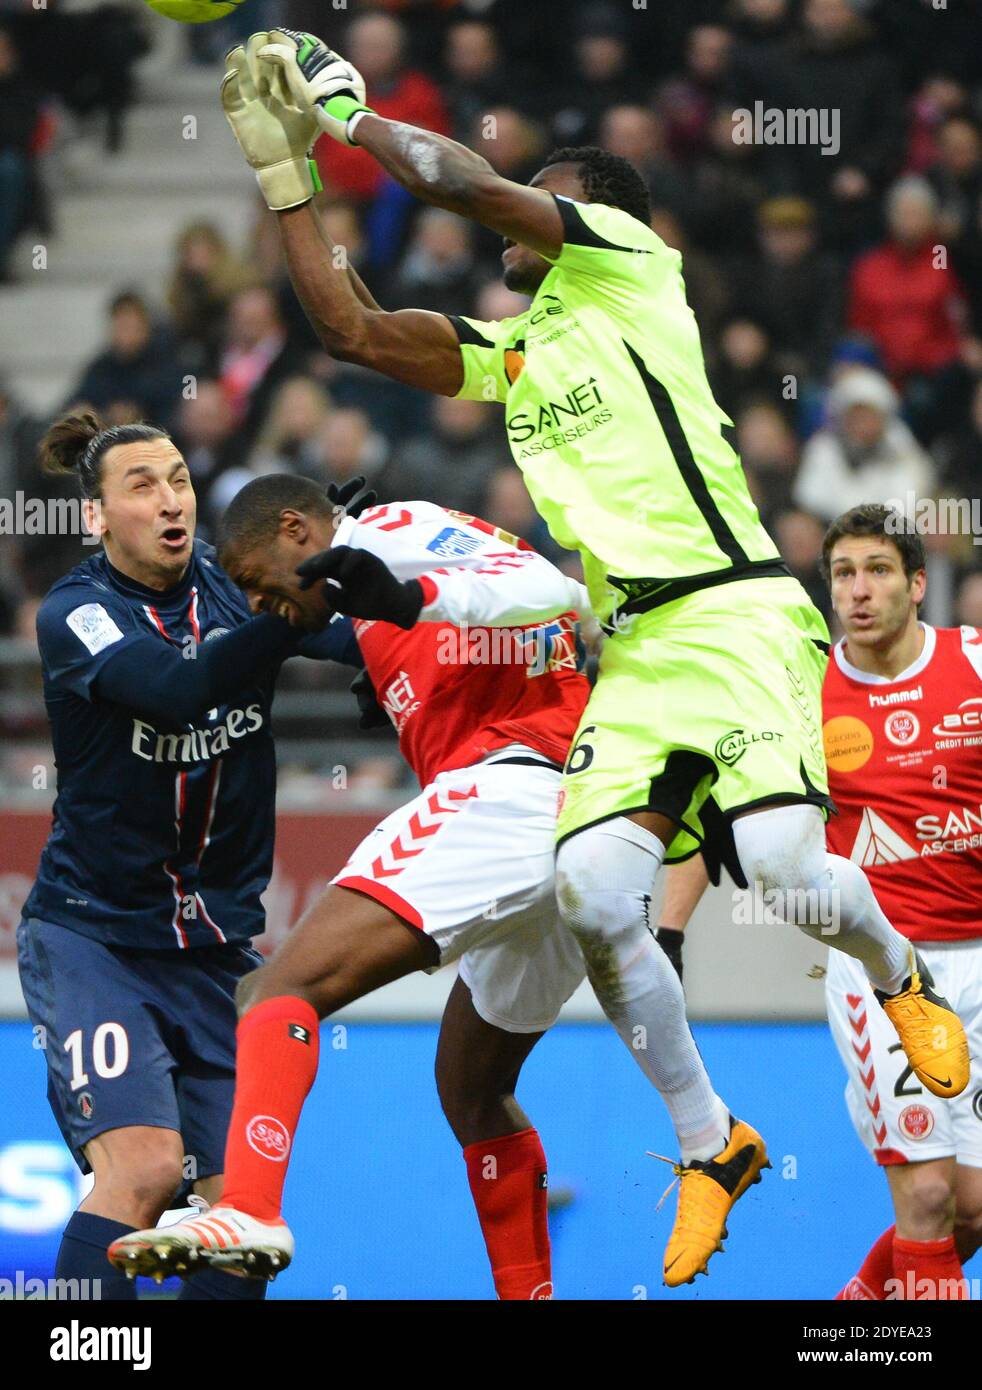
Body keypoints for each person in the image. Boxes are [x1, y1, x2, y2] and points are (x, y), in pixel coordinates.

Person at [220, 31, 969, 1287]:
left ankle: (897, 974)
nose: (523, 224)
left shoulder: (633, 270)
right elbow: (349, 326)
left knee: (786, 860)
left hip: (732, 611)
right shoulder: (518, 354)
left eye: (547, 205)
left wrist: (345, 111)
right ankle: (709, 1140)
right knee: (589, 896)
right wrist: (286, 178)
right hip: (632, 649)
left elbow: (457, 180)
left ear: (590, 215)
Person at [108, 472, 594, 1298]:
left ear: (297, 528)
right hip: (572, 818)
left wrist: (413, 598)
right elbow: (331, 628)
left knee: (274, 991)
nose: (263, 603)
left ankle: (253, 1207)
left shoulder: (389, 532)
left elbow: (555, 588)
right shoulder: (366, 594)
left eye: (260, 580)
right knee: (473, 1091)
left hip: (512, 790)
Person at [16, 411, 357, 1301]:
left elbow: (357, 637)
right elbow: (174, 692)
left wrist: (382, 584)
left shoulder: (232, 581)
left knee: (238, 1211)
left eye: (177, 479)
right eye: (141, 486)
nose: (171, 501)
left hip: (217, 953)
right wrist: (288, 615)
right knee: (144, 1169)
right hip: (97, 937)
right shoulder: (76, 613)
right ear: (96, 517)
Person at [820, 505, 982, 1301]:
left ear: (918, 585)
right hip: (884, 971)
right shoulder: (801, 692)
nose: (859, 590)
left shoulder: (976, 664)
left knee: (974, 1209)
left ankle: (859, 1314)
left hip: (980, 965)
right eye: (844, 573)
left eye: (878, 570)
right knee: (925, 1195)